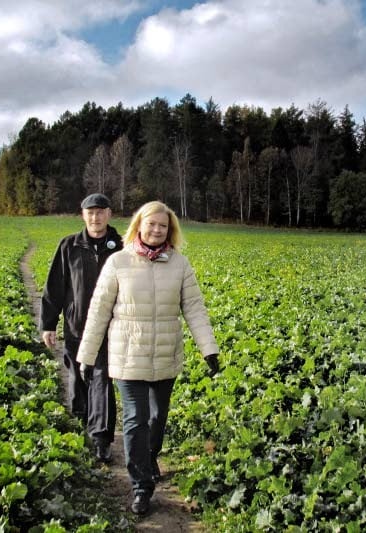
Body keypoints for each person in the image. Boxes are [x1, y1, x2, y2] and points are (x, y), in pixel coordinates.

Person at [76, 200, 220, 515]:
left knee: (157, 419)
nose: (156, 230)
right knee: (135, 420)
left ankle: (149, 456)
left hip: (166, 356)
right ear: (139, 225)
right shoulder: (118, 263)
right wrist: (86, 356)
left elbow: (194, 308)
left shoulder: (180, 264)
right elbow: (98, 312)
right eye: (151, 224)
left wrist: (209, 349)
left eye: (163, 226)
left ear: (170, 231)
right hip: (128, 357)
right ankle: (141, 486)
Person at [40, 193, 123, 463]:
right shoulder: (69, 246)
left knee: (102, 379)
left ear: (109, 214)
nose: (95, 217)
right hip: (76, 327)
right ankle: (81, 422)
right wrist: (48, 324)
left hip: (109, 329)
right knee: (77, 377)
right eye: (90, 212)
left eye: (100, 212)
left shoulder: (121, 247)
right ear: (83, 215)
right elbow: (54, 287)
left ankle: (101, 437)